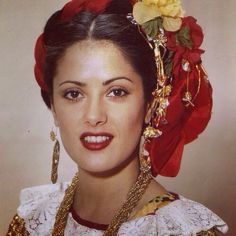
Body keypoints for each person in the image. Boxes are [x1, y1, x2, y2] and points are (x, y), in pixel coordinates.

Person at [7, 0, 228, 235]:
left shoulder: (182, 230)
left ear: (151, 106)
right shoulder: (33, 218)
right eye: (73, 94)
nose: (94, 116)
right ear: (53, 107)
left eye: (117, 92)